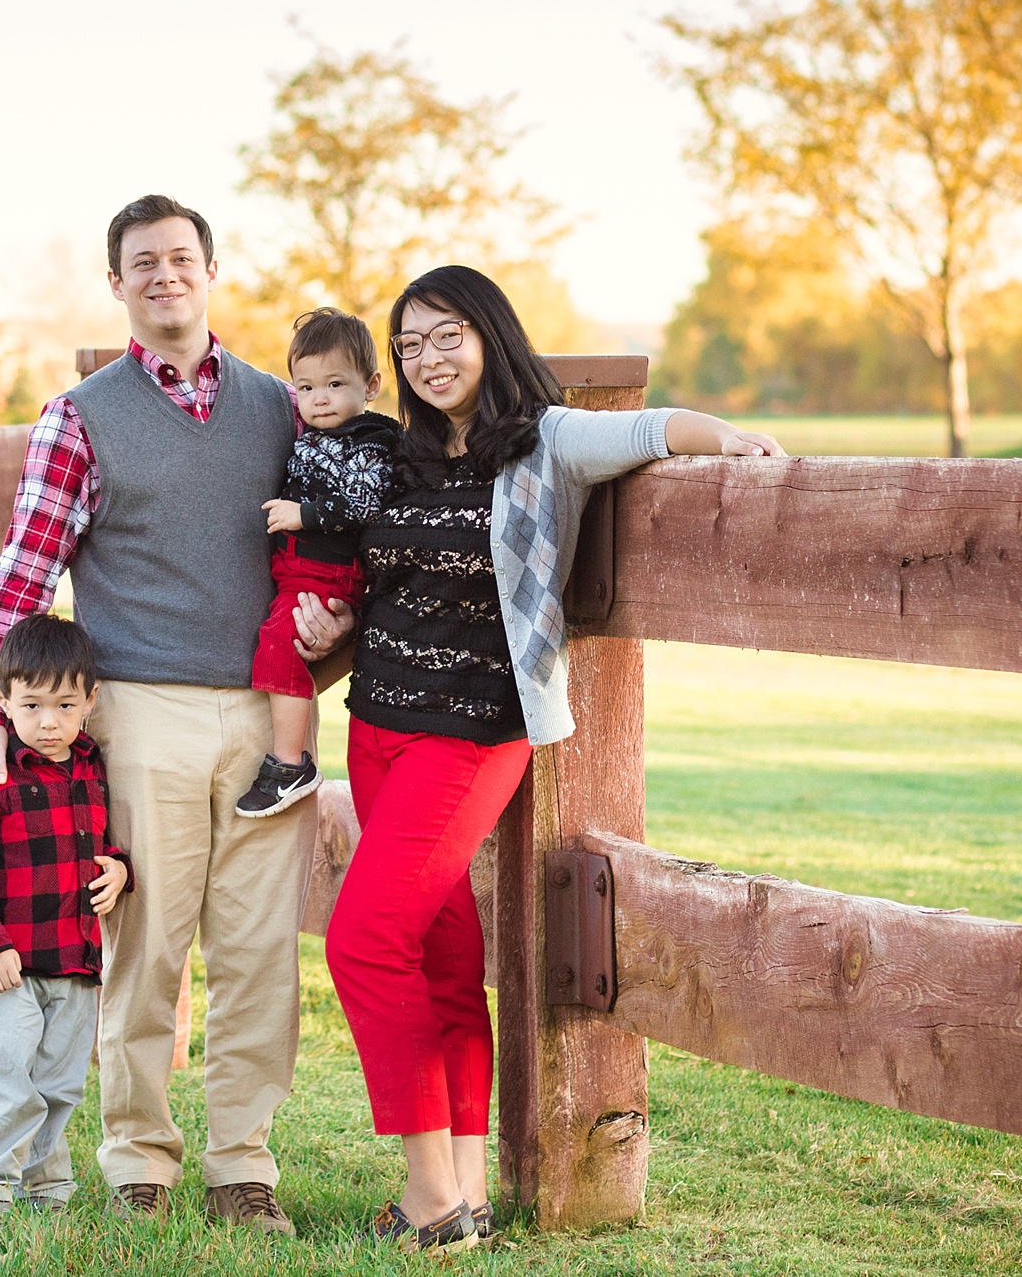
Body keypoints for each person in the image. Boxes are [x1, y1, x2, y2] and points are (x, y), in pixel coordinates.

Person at [320, 265, 784, 1254]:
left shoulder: (543, 441)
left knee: (360, 940)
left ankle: (427, 1197)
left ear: (487, 334)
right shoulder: (398, 456)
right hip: (375, 729)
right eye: (407, 345)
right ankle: (469, 1192)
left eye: (443, 336)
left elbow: (651, 428)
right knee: (442, 961)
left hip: (471, 732)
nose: (425, 359)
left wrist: (730, 441)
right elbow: (371, 573)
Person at [0, 195, 353, 1233]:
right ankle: (137, 1155)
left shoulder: (278, 407)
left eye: (181, 257)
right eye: (143, 262)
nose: (164, 274)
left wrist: (334, 632)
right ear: (118, 284)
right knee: (142, 946)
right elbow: (27, 568)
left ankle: (240, 1166)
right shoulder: (81, 414)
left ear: (210, 272)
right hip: (136, 714)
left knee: (261, 950)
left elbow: (335, 541)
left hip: (272, 721)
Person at [0, 613, 132, 1213]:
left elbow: (102, 844)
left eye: (64, 704)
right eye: (30, 706)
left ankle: (48, 1191)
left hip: (76, 963)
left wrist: (119, 869)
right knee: (4, 1083)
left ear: (90, 700)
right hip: (10, 966)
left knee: (58, 1087)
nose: (48, 722)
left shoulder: (94, 769)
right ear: (3, 701)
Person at [236, 308, 401, 818]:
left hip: (326, 573)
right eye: (305, 388)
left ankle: (290, 762)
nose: (319, 399)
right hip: (301, 571)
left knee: (277, 647)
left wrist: (302, 515)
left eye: (333, 384)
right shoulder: (314, 435)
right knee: (277, 643)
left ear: (371, 385)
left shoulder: (374, 442)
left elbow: (366, 503)